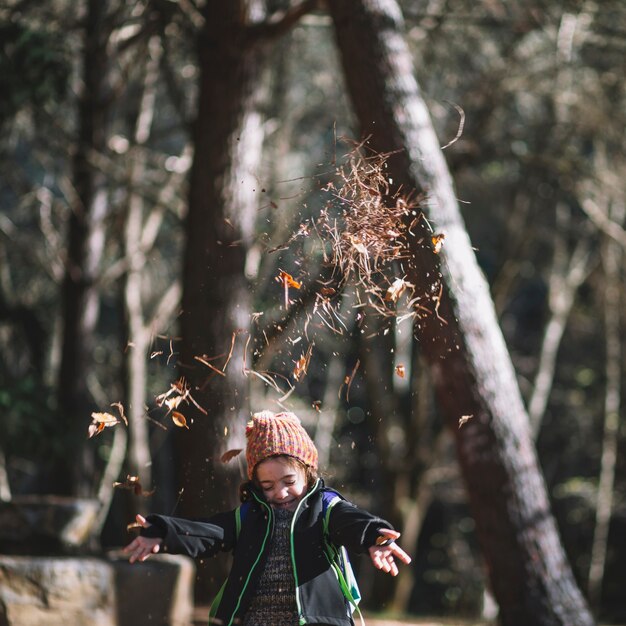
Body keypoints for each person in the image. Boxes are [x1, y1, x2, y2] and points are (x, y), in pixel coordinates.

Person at [123, 410, 411, 626]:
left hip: (314, 620)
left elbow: (352, 520)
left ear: (307, 473)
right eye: (268, 486)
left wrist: (375, 536)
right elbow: (209, 531)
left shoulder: (325, 507)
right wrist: (164, 531)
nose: (281, 493)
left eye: (289, 481)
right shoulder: (250, 515)